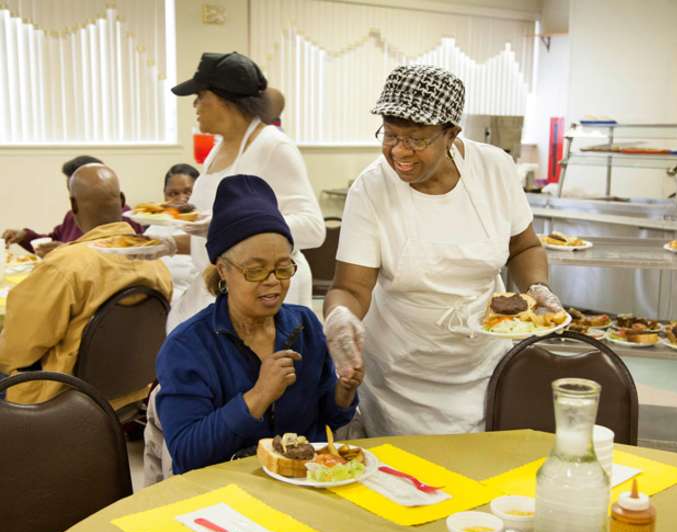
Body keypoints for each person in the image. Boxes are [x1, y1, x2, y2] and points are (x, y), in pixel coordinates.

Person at [323, 65, 563, 437]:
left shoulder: (494, 169)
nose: (399, 151)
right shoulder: (371, 189)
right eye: (390, 135)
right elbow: (351, 288)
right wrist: (340, 317)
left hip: (484, 365)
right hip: (400, 378)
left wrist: (536, 289)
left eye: (416, 139)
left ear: (451, 133)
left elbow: (524, 245)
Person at [156, 175, 360, 474]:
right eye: (256, 271)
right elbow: (187, 453)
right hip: (225, 496)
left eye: (283, 268)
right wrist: (258, 396)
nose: (273, 283)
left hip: (304, 483)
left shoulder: (303, 325)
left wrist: (344, 391)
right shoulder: (188, 347)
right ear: (223, 270)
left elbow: (327, 420)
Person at [163, 51, 325, 331]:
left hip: (264, 293)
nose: (195, 105)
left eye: (201, 96)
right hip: (222, 286)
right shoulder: (217, 149)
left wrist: (234, 226)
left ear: (226, 99)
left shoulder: (273, 147)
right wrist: (167, 245)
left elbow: (312, 228)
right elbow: (212, 231)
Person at [0, 164, 172, 408]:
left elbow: (14, 350)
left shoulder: (65, 267)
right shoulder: (155, 262)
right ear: (122, 201)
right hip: (132, 391)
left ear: (73, 206)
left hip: (65, 397)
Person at [2, 155, 144, 256]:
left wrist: (66, 251)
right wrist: (25, 236)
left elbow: (120, 256)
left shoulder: (125, 217)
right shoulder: (73, 215)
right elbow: (53, 242)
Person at [144, 164, 199, 301]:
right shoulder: (154, 230)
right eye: (173, 194)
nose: (181, 199)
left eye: (188, 192)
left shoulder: (208, 229)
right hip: (159, 307)